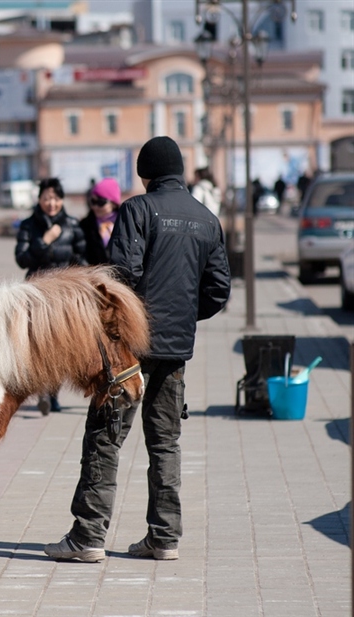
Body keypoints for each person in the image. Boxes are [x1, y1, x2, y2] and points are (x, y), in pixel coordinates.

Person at [44, 136, 230, 563]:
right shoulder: (206, 219)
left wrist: (139, 322)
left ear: (146, 174)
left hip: (129, 349)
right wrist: (182, 316)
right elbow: (218, 290)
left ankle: (88, 536)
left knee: (105, 438)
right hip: (176, 349)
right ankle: (164, 538)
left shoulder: (137, 210)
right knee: (165, 443)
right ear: (180, 171)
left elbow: (122, 275)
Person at [15, 177, 87, 414]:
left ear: (62, 199)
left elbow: (81, 258)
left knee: (61, 343)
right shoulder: (28, 226)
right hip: (37, 293)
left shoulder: (72, 224)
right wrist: (44, 241)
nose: (51, 203)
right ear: (39, 199)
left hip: (63, 294)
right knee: (40, 343)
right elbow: (22, 259)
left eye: (55, 198)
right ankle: (44, 391)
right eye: (47, 198)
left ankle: (52, 393)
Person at [79, 177, 121, 266]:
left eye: (101, 202)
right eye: (93, 202)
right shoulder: (85, 225)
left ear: (113, 204)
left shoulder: (125, 223)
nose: (96, 207)